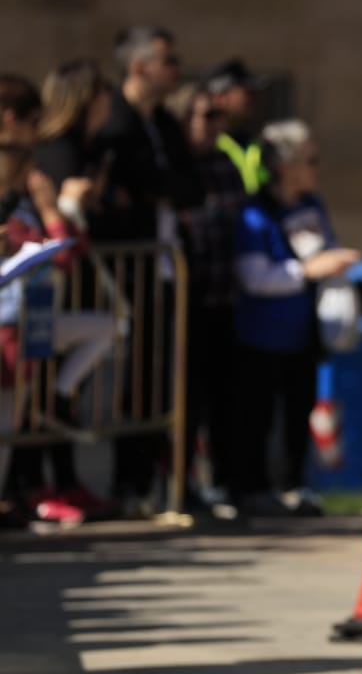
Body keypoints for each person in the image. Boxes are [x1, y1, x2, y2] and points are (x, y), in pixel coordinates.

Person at [93, 26, 203, 514]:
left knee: (170, 378)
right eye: (168, 60)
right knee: (138, 378)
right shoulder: (116, 124)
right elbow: (129, 186)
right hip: (130, 267)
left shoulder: (166, 123)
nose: (176, 70)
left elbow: (189, 186)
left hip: (169, 265)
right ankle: (128, 483)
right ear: (139, 67)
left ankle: (169, 480)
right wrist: (151, 188)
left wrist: (156, 188)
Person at [229, 120, 359, 517]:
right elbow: (253, 276)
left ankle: (294, 485)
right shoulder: (255, 213)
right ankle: (253, 489)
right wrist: (308, 271)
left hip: (304, 333)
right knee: (258, 415)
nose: (316, 168)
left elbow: (325, 248)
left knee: (298, 412)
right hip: (261, 335)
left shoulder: (311, 205)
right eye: (310, 160)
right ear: (285, 166)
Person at [16, 61, 120, 521]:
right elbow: (56, 247)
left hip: (52, 300)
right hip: (29, 305)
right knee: (26, 405)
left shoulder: (78, 152)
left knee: (45, 396)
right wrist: (64, 206)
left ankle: (56, 483)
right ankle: (32, 490)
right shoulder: (48, 161)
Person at [171, 85, 249, 513]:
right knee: (188, 401)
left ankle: (225, 485)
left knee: (227, 402)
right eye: (203, 117)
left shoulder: (225, 164)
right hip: (189, 302)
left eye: (216, 118)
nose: (213, 126)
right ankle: (181, 486)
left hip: (226, 299)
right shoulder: (176, 168)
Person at [204, 57, 269, 193]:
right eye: (246, 92)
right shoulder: (204, 147)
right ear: (221, 97)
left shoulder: (251, 142)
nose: (252, 99)